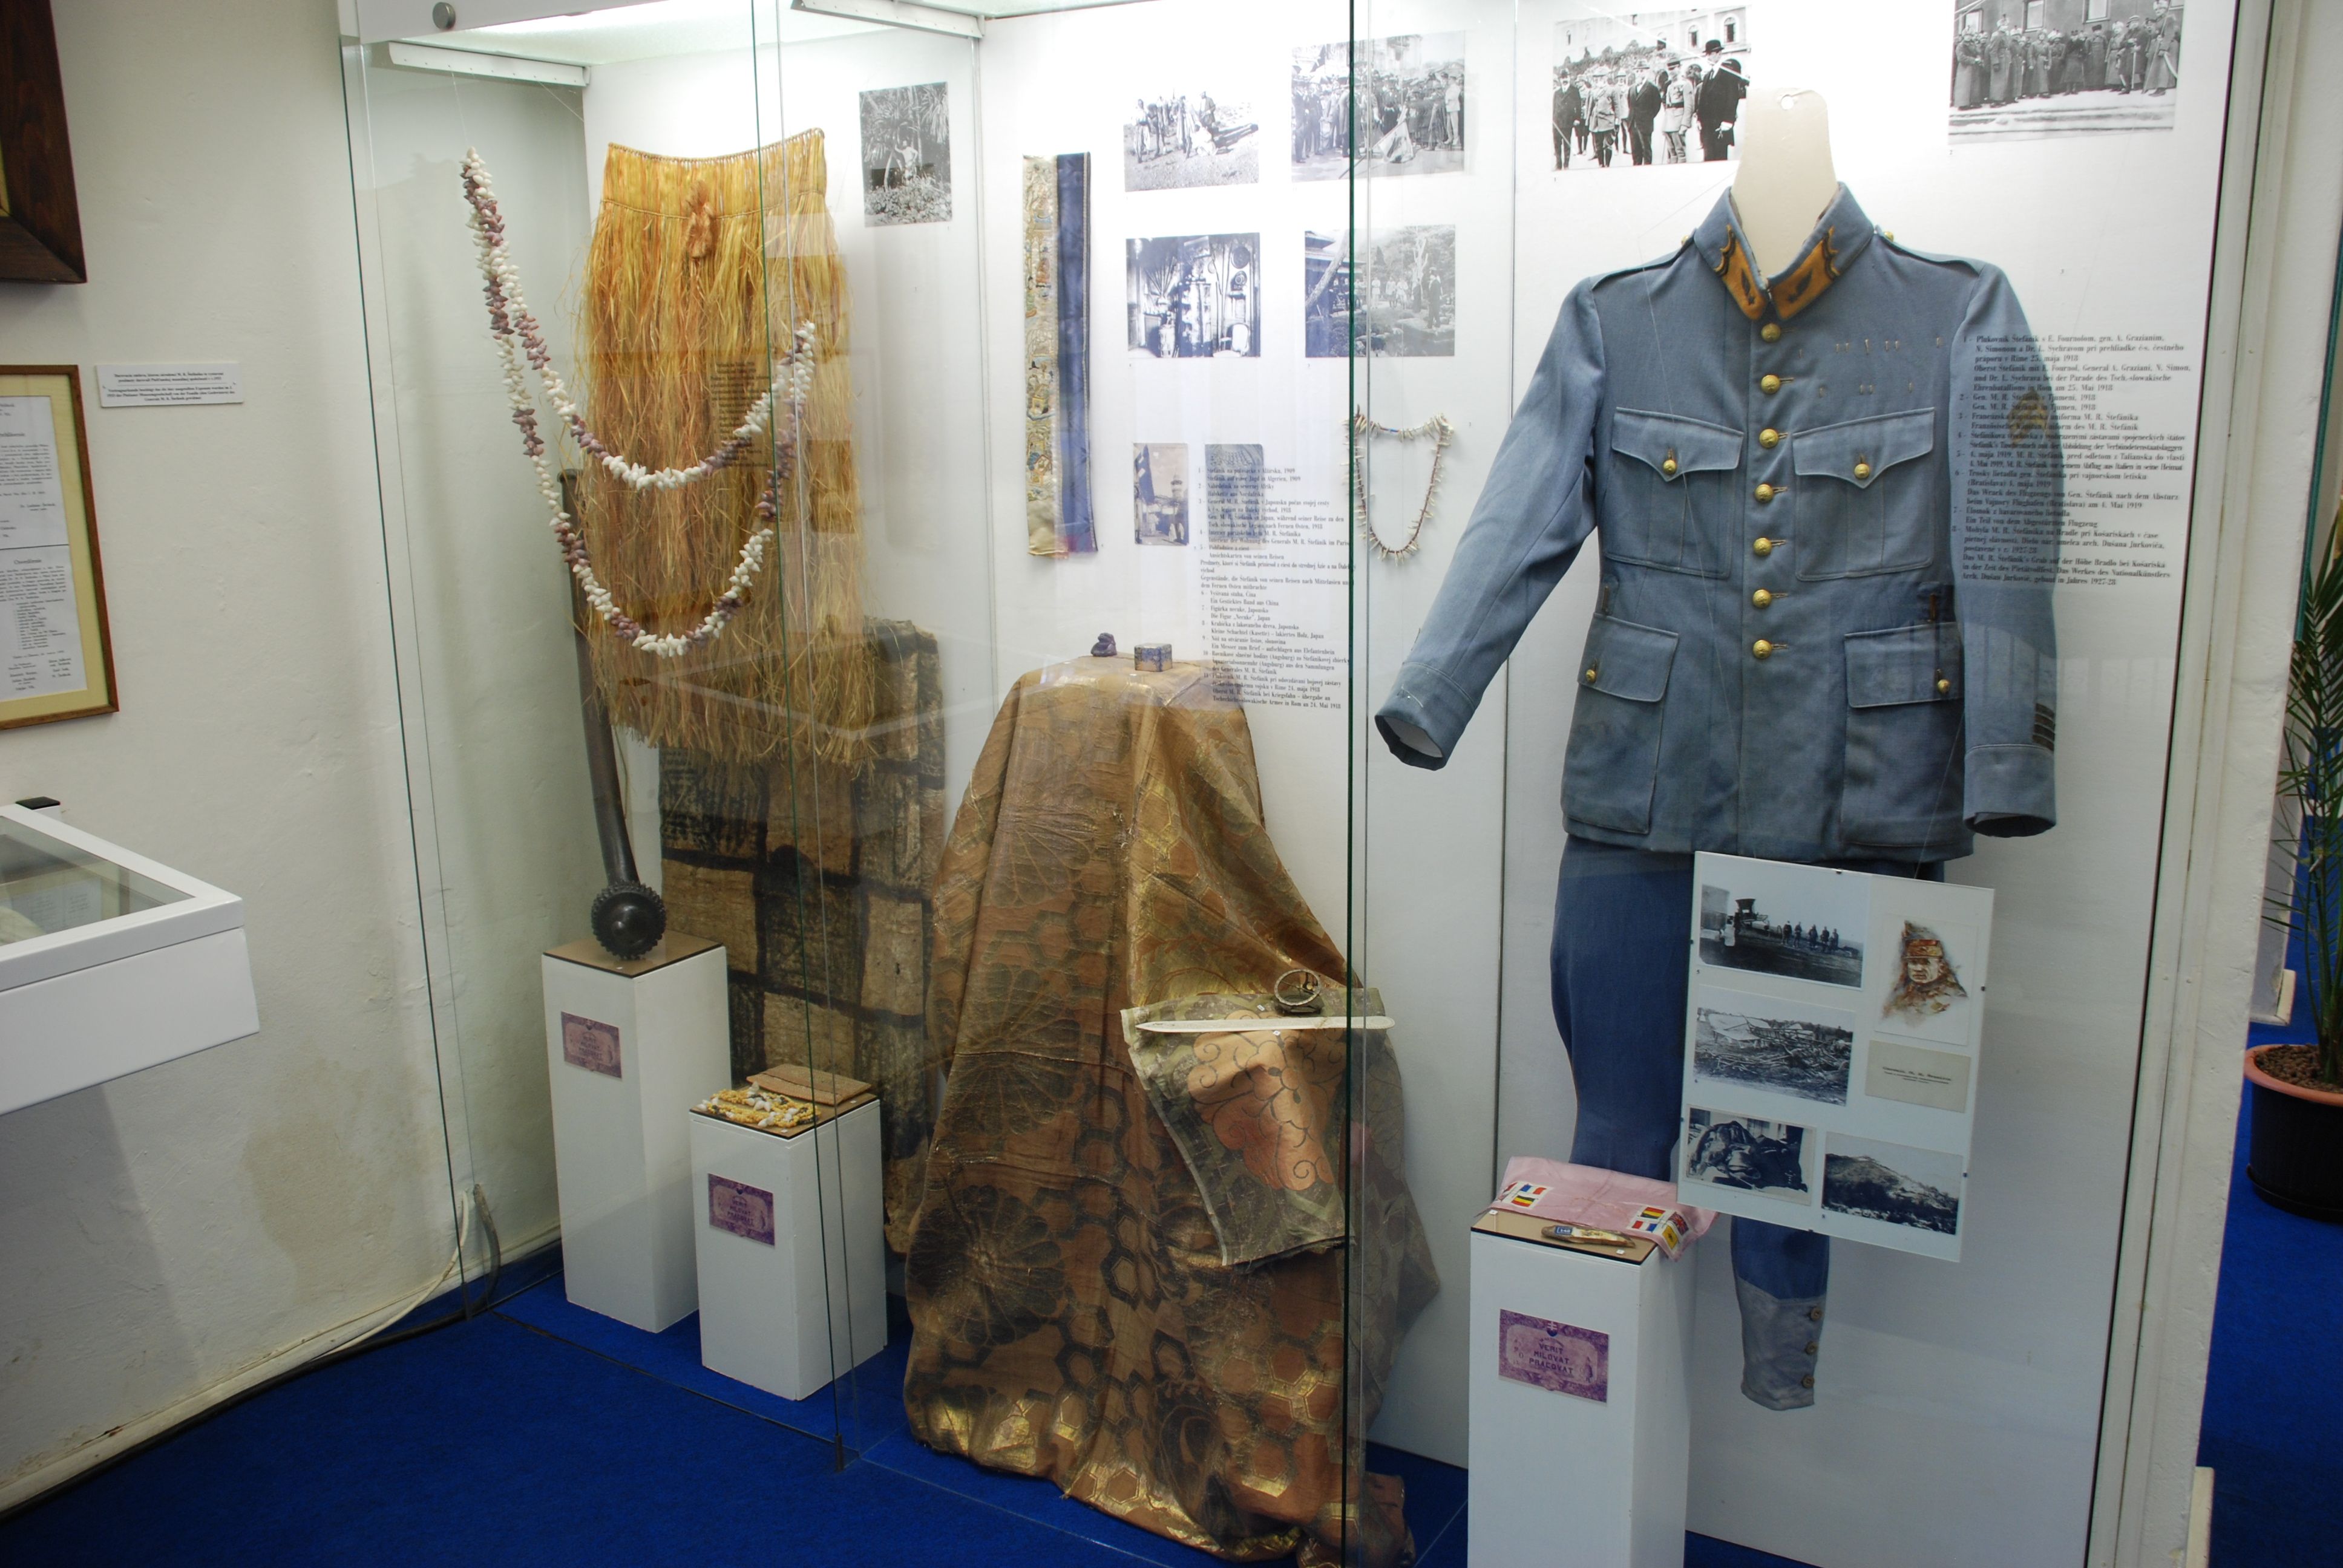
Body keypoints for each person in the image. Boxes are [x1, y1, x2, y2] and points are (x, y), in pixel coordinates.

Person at [1695, 52, 1745, 160]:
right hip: (1707, 127)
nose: (1708, 57)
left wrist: (1728, 121)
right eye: (1707, 55)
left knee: (1720, 158)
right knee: (1708, 158)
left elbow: (1732, 98)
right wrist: (1699, 119)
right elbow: (1702, 101)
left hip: (1721, 125)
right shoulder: (1708, 76)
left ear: (1719, 54)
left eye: (1711, 54)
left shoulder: (1728, 73)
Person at [1627, 67, 1662, 166]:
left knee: (1646, 151)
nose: (1639, 73)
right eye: (1637, 71)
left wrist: (1647, 118)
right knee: (1635, 153)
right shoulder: (1632, 88)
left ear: (1646, 72)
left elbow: (1657, 106)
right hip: (1633, 125)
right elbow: (1630, 104)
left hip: (1645, 125)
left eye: (1641, 71)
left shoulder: (1652, 88)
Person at [1587, 71, 1624, 168]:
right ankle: (1601, 164)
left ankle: (1607, 165)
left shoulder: (1612, 90)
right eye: (1597, 78)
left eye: (1601, 77)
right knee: (1598, 145)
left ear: (1605, 78)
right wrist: (1588, 120)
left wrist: (1617, 120)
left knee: (1608, 144)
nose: (1598, 80)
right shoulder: (1594, 91)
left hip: (1608, 121)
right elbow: (1590, 107)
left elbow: (1617, 106)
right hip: (1596, 122)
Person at [1662, 62, 1695, 162]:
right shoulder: (1669, 86)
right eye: (1669, 69)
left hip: (1679, 122)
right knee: (1671, 152)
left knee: (1680, 151)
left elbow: (1689, 106)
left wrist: (1685, 124)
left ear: (1679, 68)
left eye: (1673, 69)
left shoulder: (1686, 84)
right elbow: (1667, 105)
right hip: (1668, 123)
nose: (1671, 72)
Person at [2145, 4, 2180, 94]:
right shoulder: (2158, 21)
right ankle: (2158, 87)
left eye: (2160, 9)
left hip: (2169, 45)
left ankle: (2162, 88)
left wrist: (2164, 48)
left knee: (2163, 67)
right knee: (2158, 67)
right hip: (2160, 44)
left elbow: (2169, 34)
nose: (2158, 11)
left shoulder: (2169, 19)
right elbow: (2156, 33)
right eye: (2156, 10)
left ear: (2165, 9)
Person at [1555, 72, 1584, 169]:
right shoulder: (1557, 93)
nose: (1564, 80)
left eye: (1566, 77)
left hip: (1568, 122)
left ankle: (1566, 165)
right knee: (1557, 145)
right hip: (1557, 123)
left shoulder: (1574, 91)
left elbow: (1578, 106)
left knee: (1567, 144)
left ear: (1569, 78)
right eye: (1562, 78)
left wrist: (1578, 119)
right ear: (1560, 80)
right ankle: (1558, 165)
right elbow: (1554, 108)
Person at [1953, 27, 1985, 109]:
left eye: (1970, 35)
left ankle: (1974, 102)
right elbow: (1961, 58)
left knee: (1974, 86)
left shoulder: (1973, 44)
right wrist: (1974, 60)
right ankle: (1963, 104)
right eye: (1967, 35)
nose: (1968, 37)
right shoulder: (1960, 46)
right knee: (1964, 86)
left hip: (1974, 68)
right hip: (1965, 68)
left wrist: (1979, 56)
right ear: (1964, 36)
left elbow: (1978, 52)